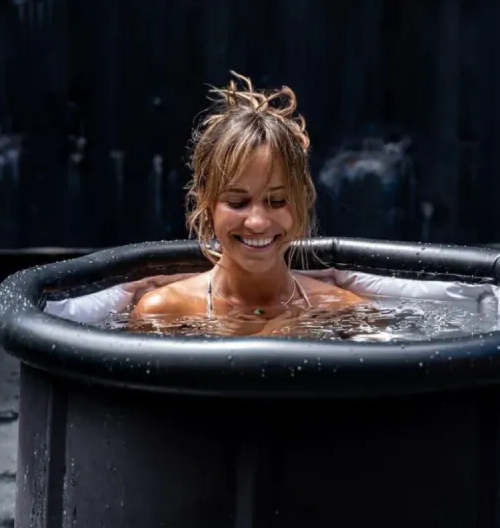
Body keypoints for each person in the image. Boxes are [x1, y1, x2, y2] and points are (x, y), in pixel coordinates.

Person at [133, 72, 364, 336]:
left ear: (302, 201)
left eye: (277, 201)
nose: (257, 222)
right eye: (238, 202)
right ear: (207, 204)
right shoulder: (163, 313)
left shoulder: (342, 311)